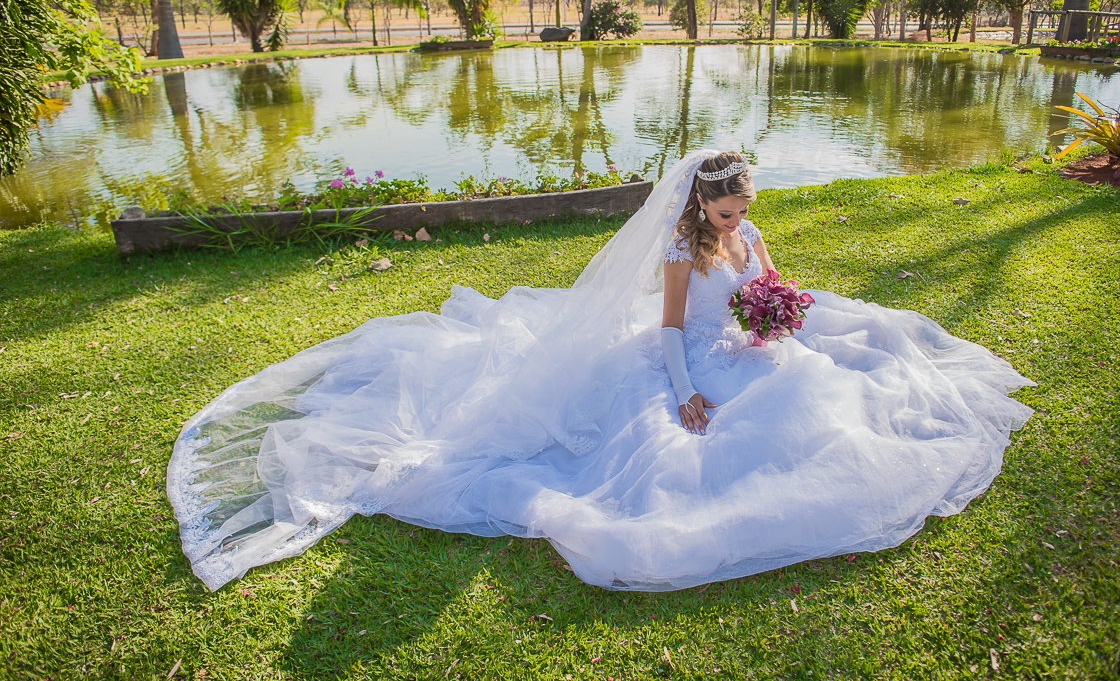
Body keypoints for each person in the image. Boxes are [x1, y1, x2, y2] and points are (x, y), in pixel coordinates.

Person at [168, 150, 1033, 593]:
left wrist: (779, 304)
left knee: (823, 378)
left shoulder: (750, 233)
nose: (741, 220)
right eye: (730, 210)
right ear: (702, 204)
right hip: (693, 354)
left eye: (746, 211)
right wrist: (687, 387)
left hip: (748, 340)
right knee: (753, 419)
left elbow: (767, 281)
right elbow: (665, 332)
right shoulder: (680, 252)